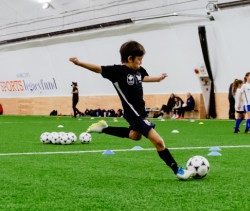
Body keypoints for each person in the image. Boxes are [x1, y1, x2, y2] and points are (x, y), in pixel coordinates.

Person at [70, 41, 189, 180]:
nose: (141, 62)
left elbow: (144, 78)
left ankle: (104, 129)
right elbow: (98, 68)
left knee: (135, 136)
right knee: (158, 142)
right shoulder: (118, 72)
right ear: (129, 58)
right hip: (134, 114)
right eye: (139, 59)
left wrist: (158, 79)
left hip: (140, 113)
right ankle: (178, 170)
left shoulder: (139, 70)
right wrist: (79, 63)